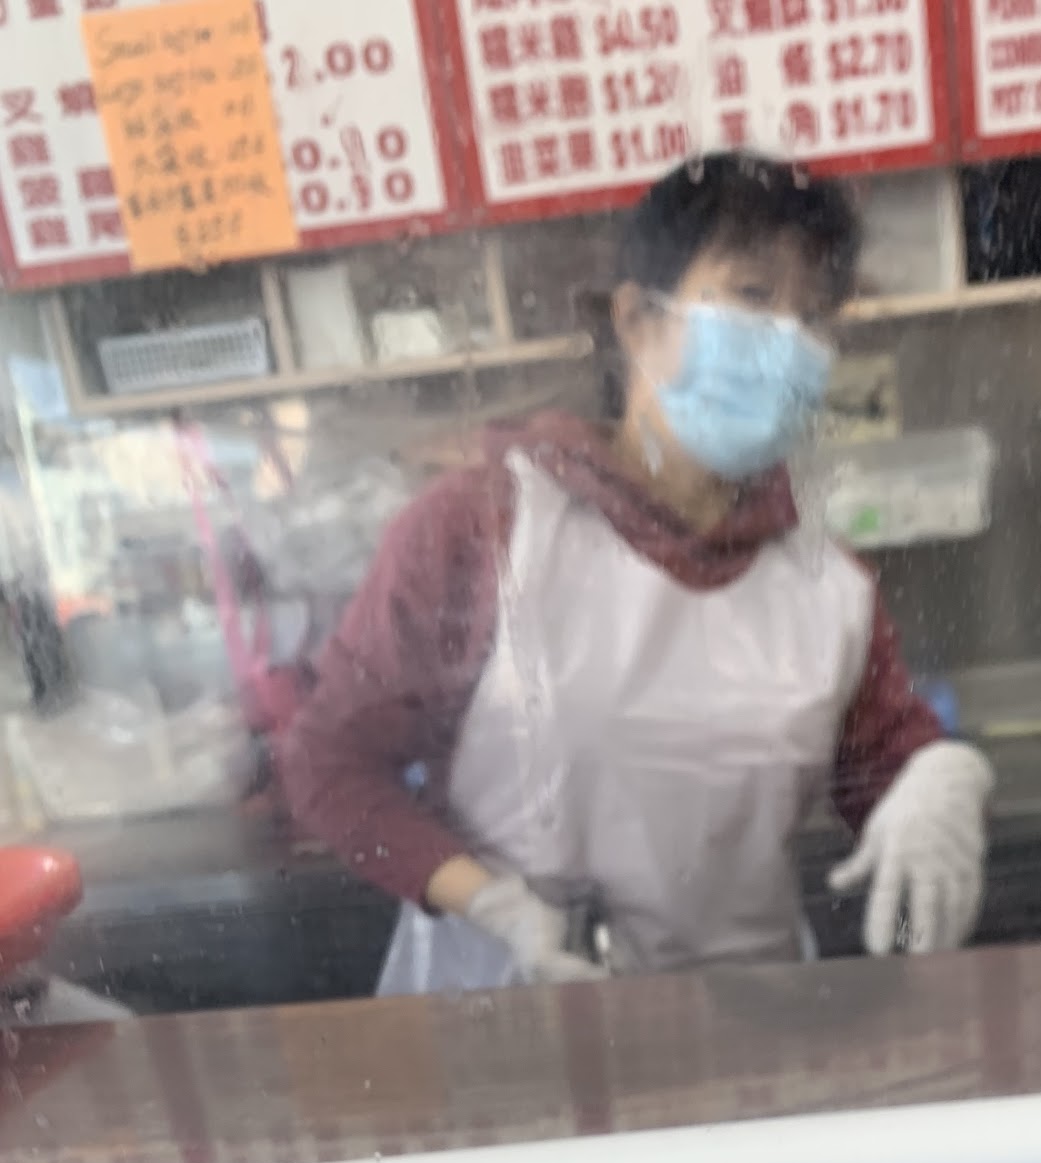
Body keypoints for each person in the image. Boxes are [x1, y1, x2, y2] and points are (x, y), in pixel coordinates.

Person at [282, 152, 993, 991]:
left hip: (744, 1017)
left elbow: (884, 763)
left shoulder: (827, 585)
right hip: (507, 1010)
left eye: (814, 316)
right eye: (753, 296)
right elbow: (329, 764)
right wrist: (492, 906)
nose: (788, 343)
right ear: (637, 320)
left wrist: (939, 777)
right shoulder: (485, 527)